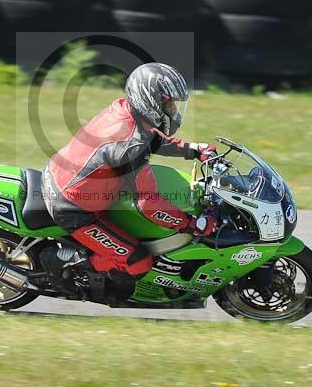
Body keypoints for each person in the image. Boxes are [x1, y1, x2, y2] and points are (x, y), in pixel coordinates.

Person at [41, 63, 218, 277]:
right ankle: (64, 264)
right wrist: (192, 223)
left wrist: (192, 149)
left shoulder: (125, 109)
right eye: (169, 104)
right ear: (149, 100)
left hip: (59, 176)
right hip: (73, 209)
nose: (173, 111)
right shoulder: (132, 146)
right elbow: (148, 204)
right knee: (138, 261)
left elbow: (150, 138)